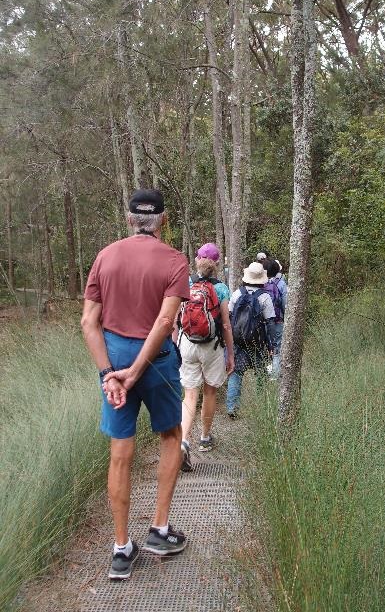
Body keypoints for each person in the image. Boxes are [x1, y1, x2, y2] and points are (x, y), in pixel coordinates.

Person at [81, 188, 190, 581]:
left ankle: (121, 549)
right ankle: (160, 530)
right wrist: (137, 369)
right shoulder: (175, 261)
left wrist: (109, 373)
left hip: (113, 360)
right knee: (170, 434)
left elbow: (88, 322)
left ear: (129, 219)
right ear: (162, 220)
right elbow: (164, 324)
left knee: (120, 451)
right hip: (156, 362)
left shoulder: (105, 257)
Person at [177, 243, 235, 471]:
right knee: (210, 390)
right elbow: (226, 325)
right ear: (217, 264)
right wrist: (230, 353)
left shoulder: (186, 284)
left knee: (189, 394)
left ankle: (183, 440)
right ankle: (205, 437)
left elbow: (174, 319)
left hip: (187, 344)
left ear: (197, 260)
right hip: (211, 346)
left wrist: (175, 346)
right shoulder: (221, 289)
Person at [226, 262, 276, 418]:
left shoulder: (237, 294)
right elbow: (270, 323)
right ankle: (262, 407)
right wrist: (272, 344)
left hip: (239, 343)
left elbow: (228, 317)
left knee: (236, 373)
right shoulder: (265, 297)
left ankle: (232, 407)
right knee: (261, 374)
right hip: (258, 344)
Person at [263, 259, 288, 380]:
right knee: (277, 351)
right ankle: (274, 377)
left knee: (263, 350)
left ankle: (262, 377)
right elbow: (285, 304)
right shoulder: (281, 284)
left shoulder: (260, 283)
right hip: (277, 321)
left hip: (262, 323)